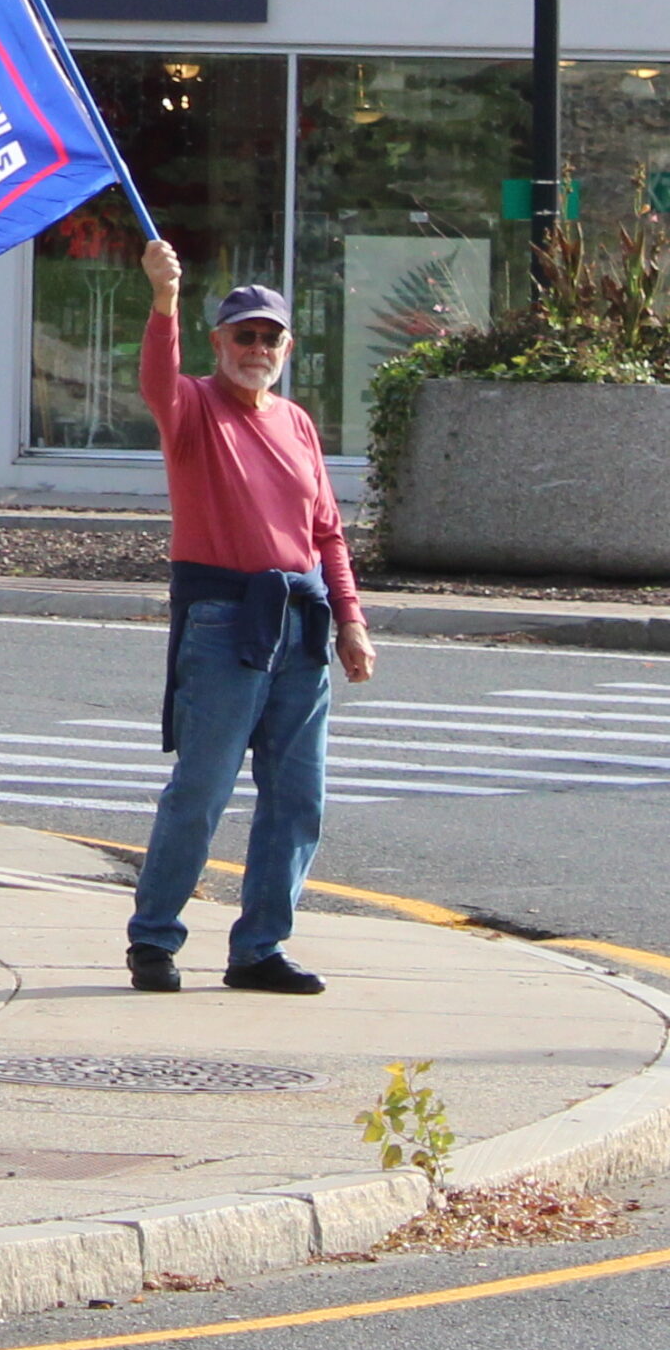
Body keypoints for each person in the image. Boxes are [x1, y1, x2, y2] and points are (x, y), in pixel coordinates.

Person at [125, 240, 378, 998]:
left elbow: (326, 532)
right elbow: (155, 380)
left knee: (298, 797)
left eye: (270, 337)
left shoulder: (298, 423)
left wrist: (350, 621)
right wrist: (164, 297)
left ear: (286, 347)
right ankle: (153, 939)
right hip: (223, 622)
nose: (257, 348)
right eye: (245, 335)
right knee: (201, 788)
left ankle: (260, 947)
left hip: (301, 624)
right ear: (220, 342)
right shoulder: (193, 406)